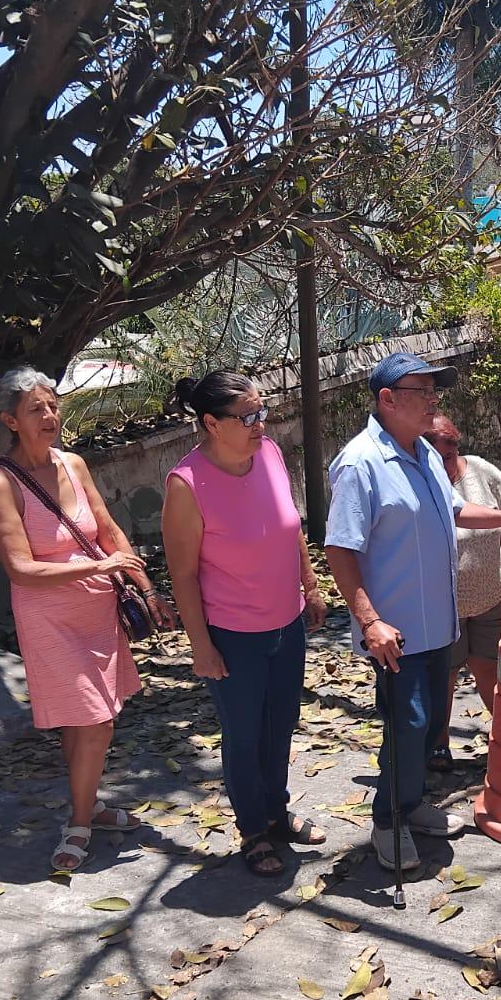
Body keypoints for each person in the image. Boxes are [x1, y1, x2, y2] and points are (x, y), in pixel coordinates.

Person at [325, 352, 501, 871]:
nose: (434, 401)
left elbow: (455, 511)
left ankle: (411, 804)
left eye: (434, 391)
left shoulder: (423, 454)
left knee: (428, 731)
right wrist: (369, 620)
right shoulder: (361, 464)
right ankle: (389, 821)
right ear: (387, 400)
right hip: (396, 631)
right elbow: (340, 548)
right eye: (422, 391)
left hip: (439, 624)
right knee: (408, 725)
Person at [0, 367, 175, 873]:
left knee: (85, 720)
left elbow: (108, 530)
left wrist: (147, 589)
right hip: (49, 618)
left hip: (98, 610)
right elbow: (20, 568)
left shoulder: (73, 463)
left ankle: (89, 806)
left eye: (53, 405)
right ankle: (81, 823)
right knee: (94, 719)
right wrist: (98, 566)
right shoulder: (1, 481)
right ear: (10, 420)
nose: (49, 416)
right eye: (35, 410)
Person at [162, 371, 329, 878]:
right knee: (244, 735)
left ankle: (277, 813)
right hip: (233, 635)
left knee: (281, 726)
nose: (262, 423)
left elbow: (291, 527)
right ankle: (253, 830)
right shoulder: (186, 484)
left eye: (264, 410)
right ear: (211, 423)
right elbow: (184, 577)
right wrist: (201, 647)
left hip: (288, 622)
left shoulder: (271, 455)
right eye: (249, 416)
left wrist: (311, 585)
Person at [424, 414, 501, 773]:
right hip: (445, 602)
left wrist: (488, 561)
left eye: (450, 446)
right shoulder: (419, 480)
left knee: (488, 667)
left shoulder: (481, 471)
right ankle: (438, 744)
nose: (444, 455)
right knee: (444, 674)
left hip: (490, 593)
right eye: (434, 446)